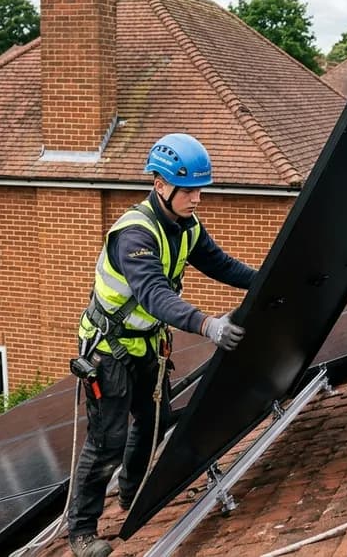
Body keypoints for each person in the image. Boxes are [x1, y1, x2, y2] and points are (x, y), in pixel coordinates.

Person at [67, 133, 257, 557]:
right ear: (160, 185)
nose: (197, 198)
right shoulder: (135, 235)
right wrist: (207, 325)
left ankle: (132, 494)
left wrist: (266, 278)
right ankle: (80, 531)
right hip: (108, 351)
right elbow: (155, 294)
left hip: (148, 347)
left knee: (152, 423)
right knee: (107, 441)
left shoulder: (185, 227)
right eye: (188, 190)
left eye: (200, 189)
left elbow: (219, 263)